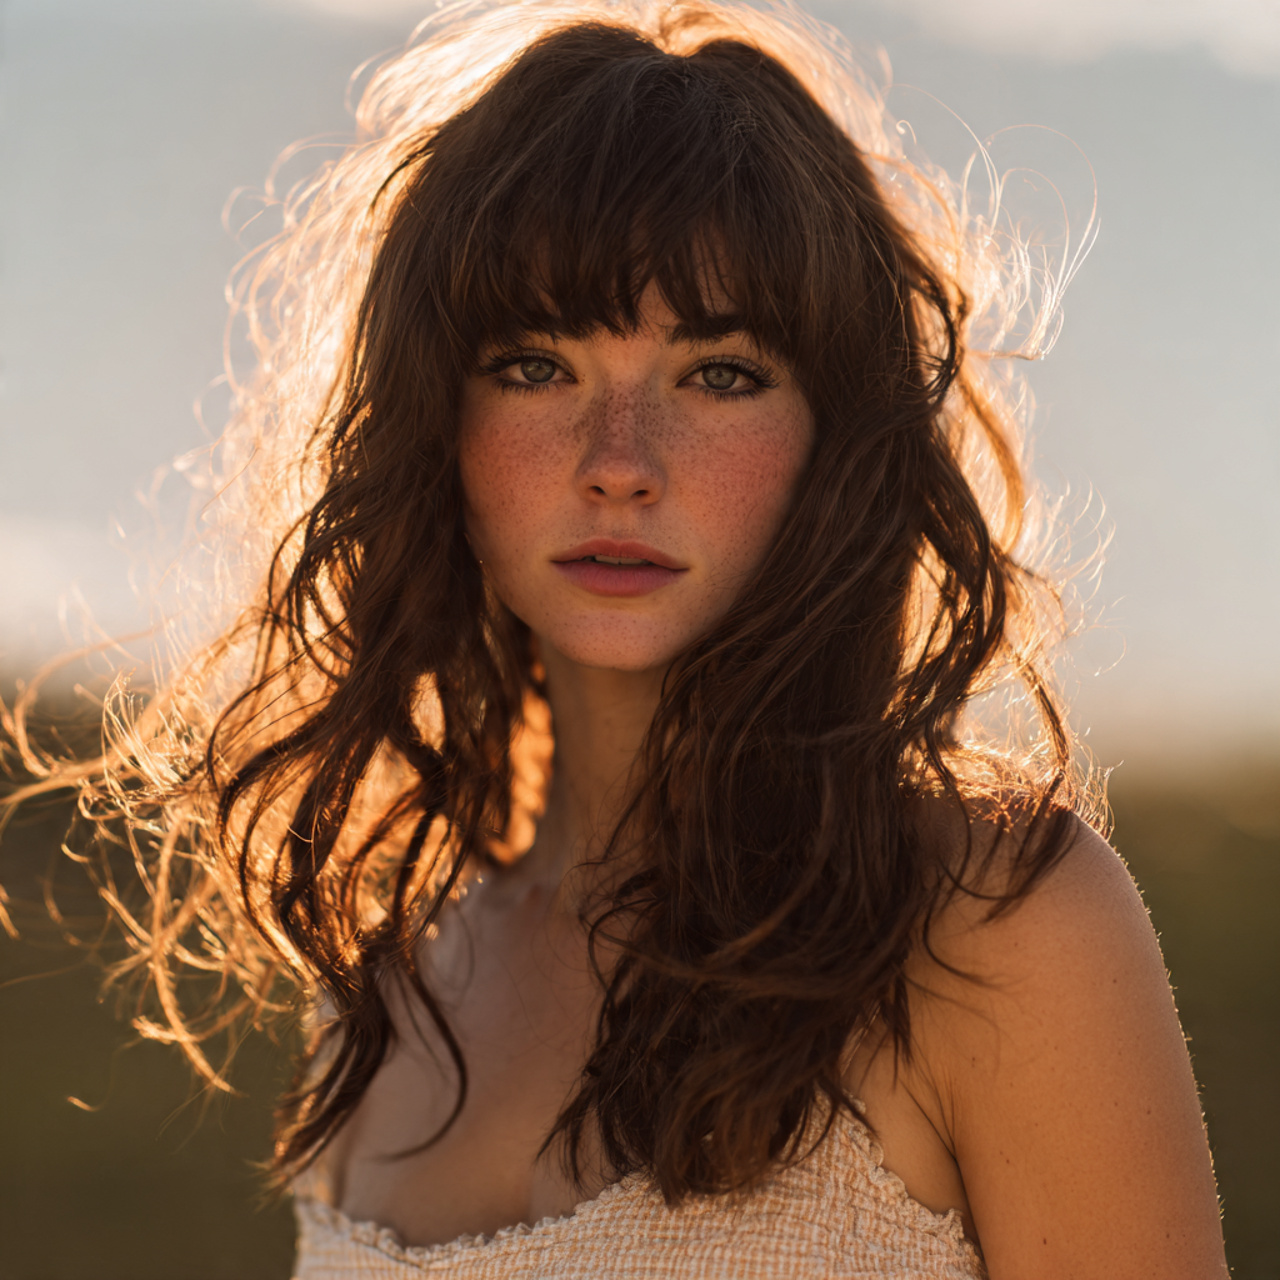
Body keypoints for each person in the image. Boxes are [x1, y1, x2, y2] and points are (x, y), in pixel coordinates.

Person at [3, 1, 1228, 1276]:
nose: (618, 464)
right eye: (536, 366)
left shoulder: (986, 925)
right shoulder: (385, 982)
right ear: (439, 420)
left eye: (719, 373)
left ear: (833, 437)